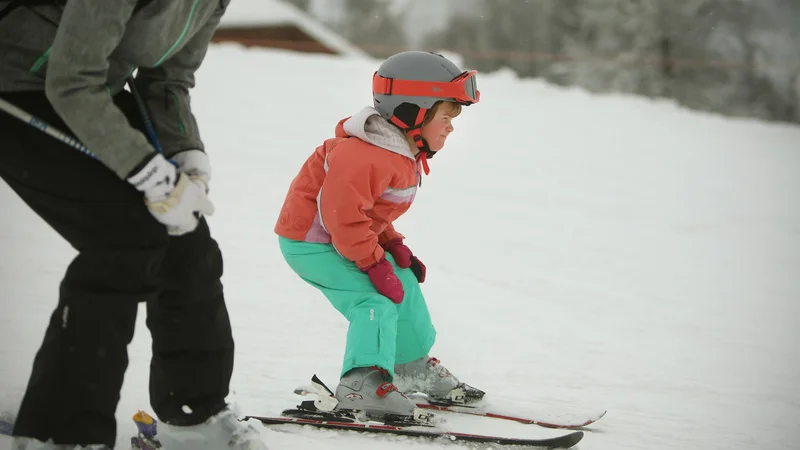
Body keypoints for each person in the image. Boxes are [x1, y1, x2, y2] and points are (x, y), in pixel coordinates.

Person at [0, 1, 267, 449]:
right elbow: (70, 78)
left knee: (187, 239)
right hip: (18, 86)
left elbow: (167, 78)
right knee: (125, 239)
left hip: (89, 93)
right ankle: (61, 434)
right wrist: (147, 171)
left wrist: (185, 156)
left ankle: (193, 415)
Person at [274, 51, 485, 422]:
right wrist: (372, 262)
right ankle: (363, 384)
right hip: (311, 244)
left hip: (344, 238)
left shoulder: (397, 152)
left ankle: (409, 365)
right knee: (374, 301)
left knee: (402, 281)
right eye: (446, 117)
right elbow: (342, 218)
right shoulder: (364, 155)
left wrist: (391, 244)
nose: (451, 127)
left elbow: (370, 213)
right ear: (412, 113)